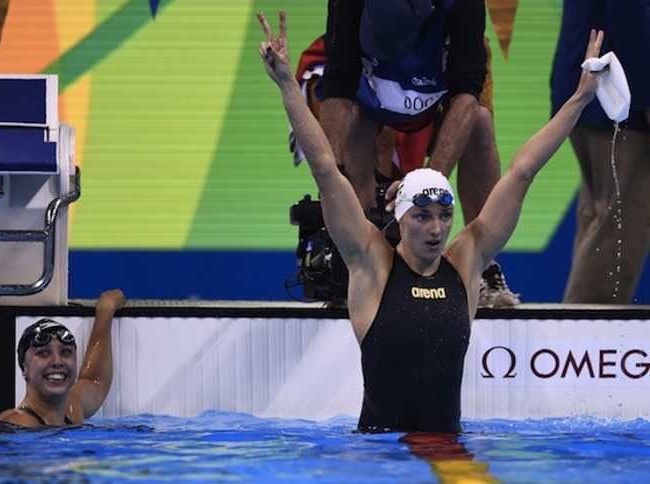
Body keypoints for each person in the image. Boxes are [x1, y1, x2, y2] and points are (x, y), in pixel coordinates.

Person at [257, 9, 602, 432]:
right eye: (422, 216)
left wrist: (580, 99)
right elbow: (326, 168)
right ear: (400, 217)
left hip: (450, 455)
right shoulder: (371, 265)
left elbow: (523, 171)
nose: (437, 229)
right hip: (375, 458)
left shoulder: (465, 264)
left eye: (444, 215)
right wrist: (288, 87)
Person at [317, 0, 519, 307]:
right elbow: (339, 80)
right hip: (371, 75)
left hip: (441, 63)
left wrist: (426, 184)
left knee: (478, 122)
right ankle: (357, 264)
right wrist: (332, 183)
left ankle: (483, 266)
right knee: (355, 131)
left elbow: (465, 95)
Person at [551, 0, 650, 304]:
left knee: (601, 222)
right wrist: (647, 96)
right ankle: (591, 345)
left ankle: (581, 338)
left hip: (599, 91)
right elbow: (631, 8)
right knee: (618, 231)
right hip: (619, 101)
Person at [0, 289, 126, 427]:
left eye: (65, 352)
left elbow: (94, 381)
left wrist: (105, 311)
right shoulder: (19, 423)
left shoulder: (72, 409)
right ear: (24, 368)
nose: (57, 362)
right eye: (43, 353)